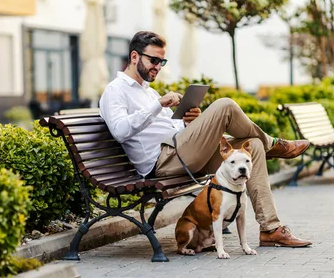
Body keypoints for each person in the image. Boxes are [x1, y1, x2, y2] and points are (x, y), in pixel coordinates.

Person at [99, 31, 312, 247]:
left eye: (161, 61)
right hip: (162, 162)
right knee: (225, 106)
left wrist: (188, 123)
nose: (158, 66)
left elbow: (170, 127)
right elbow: (119, 130)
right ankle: (275, 145)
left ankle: (270, 230)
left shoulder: (149, 92)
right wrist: (158, 105)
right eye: (153, 60)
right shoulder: (115, 91)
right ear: (134, 57)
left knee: (254, 146)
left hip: (181, 152)